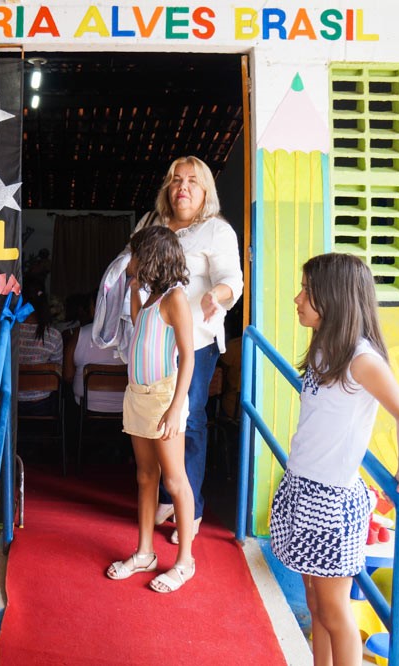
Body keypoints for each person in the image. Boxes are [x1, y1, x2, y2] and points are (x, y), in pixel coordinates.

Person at [270, 253, 399, 666]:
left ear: (335, 298)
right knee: (315, 602)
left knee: (335, 612)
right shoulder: (324, 347)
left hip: (332, 500)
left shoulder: (362, 360)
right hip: (302, 486)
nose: (297, 299)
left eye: (307, 291)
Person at [136, 156, 243, 545]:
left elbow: (232, 279)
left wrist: (217, 295)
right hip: (152, 343)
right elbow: (133, 269)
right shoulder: (151, 223)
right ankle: (167, 497)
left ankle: (190, 508)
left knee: (188, 420)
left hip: (194, 341)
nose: (183, 187)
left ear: (205, 190)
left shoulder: (216, 230)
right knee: (153, 419)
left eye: (192, 181)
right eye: (176, 180)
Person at [106, 226, 196, 593]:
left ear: (153, 258)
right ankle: (144, 553)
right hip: (138, 396)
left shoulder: (175, 298)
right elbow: (139, 323)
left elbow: (188, 357)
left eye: (136, 256)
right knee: (146, 476)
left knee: (174, 480)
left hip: (162, 398)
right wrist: (132, 291)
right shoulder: (151, 299)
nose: (132, 262)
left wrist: (175, 409)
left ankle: (185, 560)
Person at [17, 281, 64, 416]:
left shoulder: (8, 333)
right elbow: (57, 372)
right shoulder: (53, 335)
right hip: (42, 404)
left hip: (11, 401)